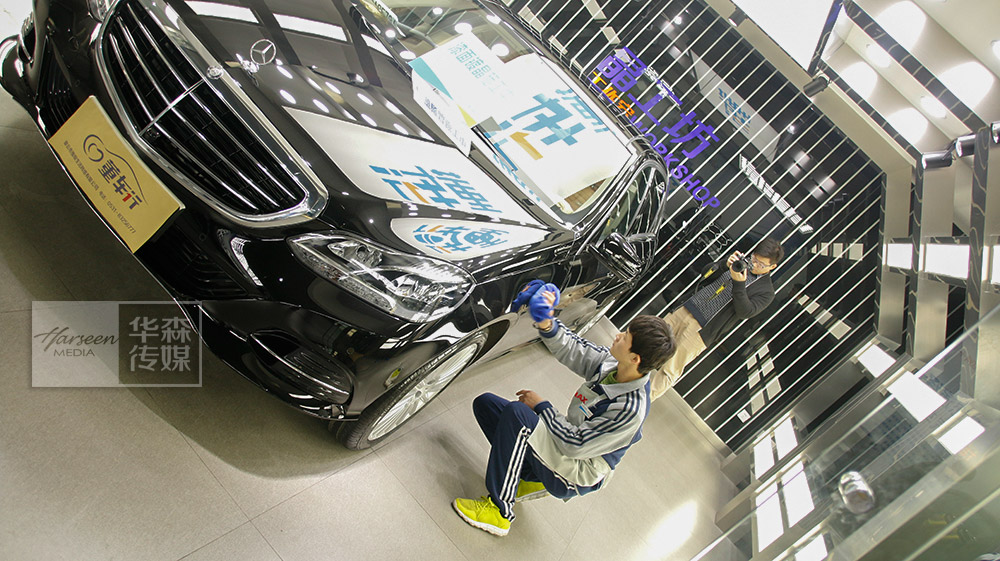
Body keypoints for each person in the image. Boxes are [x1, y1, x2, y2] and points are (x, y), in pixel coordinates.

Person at [453, 282, 676, 536]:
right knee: (487, 406)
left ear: (635, 359)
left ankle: (500, 512)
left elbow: (576, 444)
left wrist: (542, 407)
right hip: (568, 442)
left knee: (518, 416)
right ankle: (529, 475)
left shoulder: (629, 409)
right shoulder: (613, 364)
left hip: (578, 469)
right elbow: (575, 349)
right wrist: (546, 322)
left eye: (625, 338)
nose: (618, 336)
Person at [650, 236, 784, 401]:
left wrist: (739, 283)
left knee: (670, 368)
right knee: (650, 340)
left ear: (772, 266)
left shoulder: (767, 292)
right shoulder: (740, 262)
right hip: (686, 308)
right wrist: (723, 265)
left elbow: (745, 312)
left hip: (702, 330)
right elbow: (705, 272)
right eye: (754, 258)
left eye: (761, 264)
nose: (754, 264)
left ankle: (642, 402)